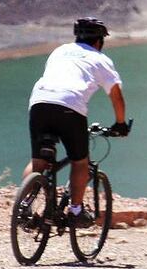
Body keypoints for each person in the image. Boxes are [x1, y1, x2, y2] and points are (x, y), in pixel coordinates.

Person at [24, 17, 130, 227]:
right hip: (69, 105)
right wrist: (120, 124)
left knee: (38, 161)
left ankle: (25, 206)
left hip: (39, 102)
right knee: (79, 161)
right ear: (100, 41)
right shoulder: (100, 59)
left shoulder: (60, 51)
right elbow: (116, 94)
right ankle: (76, 210)